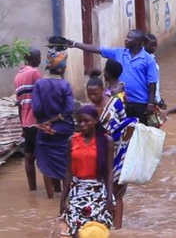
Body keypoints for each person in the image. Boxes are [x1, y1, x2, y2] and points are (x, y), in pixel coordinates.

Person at [68, 30, 158, 125]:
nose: (126, 40)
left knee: (139, 134)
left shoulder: (148, 59)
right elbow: (97, 49)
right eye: (127, 37)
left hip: (140, 103)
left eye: (130, 38)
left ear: (138, 42)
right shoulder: (119, 53)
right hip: (122, 102)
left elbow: (152, 83)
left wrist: (150, 103)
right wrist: (75, 44)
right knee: (123, 132)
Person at [85, 74, 136, 230]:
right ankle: (103, 226)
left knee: (116, 192)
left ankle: (118, 229)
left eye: (95, 93)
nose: (93, 97)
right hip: (98, 155)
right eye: (90, 94)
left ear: (102, 90)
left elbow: (127, 124)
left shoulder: (116, 104)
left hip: (118, 153)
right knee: (100, 191)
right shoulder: (88, 110)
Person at [59, 105, 114, 237]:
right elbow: (68, 172)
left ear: (95, 120)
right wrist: (63, 199)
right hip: (77, 191)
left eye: (86, 121)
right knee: (76, 232)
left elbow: (109, 172)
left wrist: (109, 198)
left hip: (98, 192)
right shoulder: (72, 141)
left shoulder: (107, 141)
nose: (82, 124)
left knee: (96, 232)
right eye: (80, 121)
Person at [32, 48, 75, 199]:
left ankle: (50, 198)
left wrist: (45, 122)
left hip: (44, 129)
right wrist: (55, 120)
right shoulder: (65, 85)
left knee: (46, 165)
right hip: (63, 130)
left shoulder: (39, 84)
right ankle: (65, 198)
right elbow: (69, 109)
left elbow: (36, 109)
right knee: (64, 163)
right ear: (62, 67)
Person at [15, 47, 42, 191]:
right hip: (36, 121)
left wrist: (22, 127)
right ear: (32, 58)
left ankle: (32, 189)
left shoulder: (18, 76)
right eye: (39, 56)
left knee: (29, 157)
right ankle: (55, 192)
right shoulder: (34, 73)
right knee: (46, 156)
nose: (40, 59)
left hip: (26, 123)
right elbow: (43, 94)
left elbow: (19, 104)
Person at [143, 34, 164, 110]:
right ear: (143, 44)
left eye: (155, 45)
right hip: (149, 99)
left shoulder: (151, 57)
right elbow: (153, 84)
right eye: (151, 46)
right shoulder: (148, 61)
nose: (154, 48)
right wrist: (157, 100)